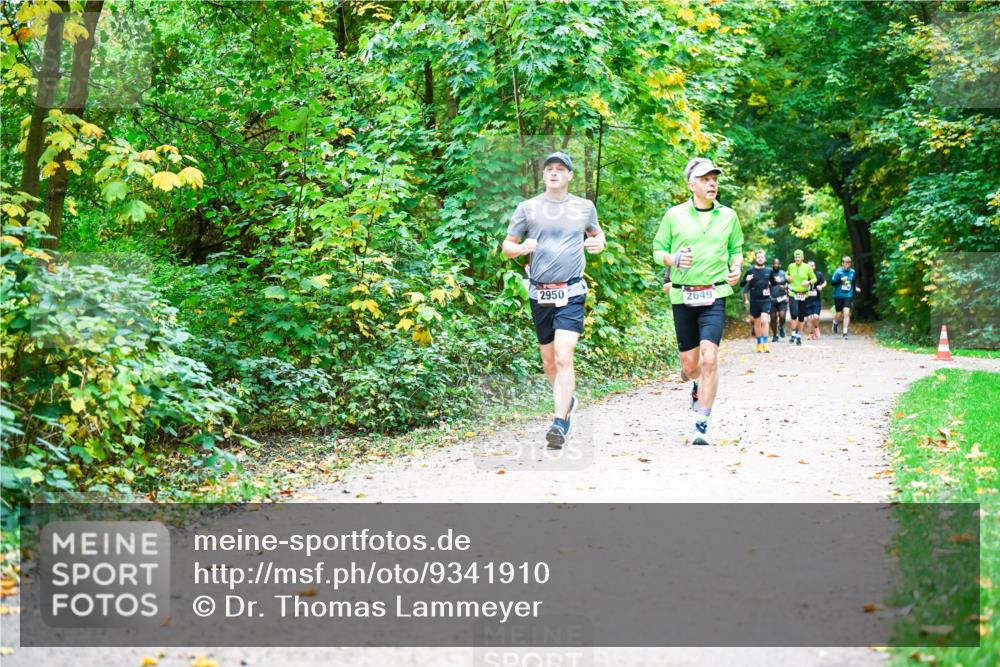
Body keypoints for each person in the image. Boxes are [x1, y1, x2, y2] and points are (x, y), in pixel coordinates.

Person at [503, 151, 606, 449]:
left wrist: (598, 243)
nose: (554, 173)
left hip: (572, 290)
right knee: (549, 363)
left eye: (560, 169)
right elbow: (507, 246)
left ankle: (560, 421)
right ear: (544, 174)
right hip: (540, 291)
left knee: (563, 355)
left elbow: (599, 237)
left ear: (570, 175)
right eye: (549, 168)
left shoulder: (584, 207)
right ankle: (568, 400)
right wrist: (521, 249)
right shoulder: (528, 208)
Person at [652, 157, 743, 446]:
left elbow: (736, 248)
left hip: (715, 294)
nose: (712, 182)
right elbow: (658, 250)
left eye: (714, 178)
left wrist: (737, 268)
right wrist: (672, 259)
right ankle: (694, 382)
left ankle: (702, 423)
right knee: (691, 366)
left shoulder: (729, 216)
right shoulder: (674, 215)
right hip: (683, 294)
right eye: (704, 179)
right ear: (691, 185)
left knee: (710, 358)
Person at [742, 249, 773, 353]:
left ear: (765, 258)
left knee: (764, 320)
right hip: (754, 301)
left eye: (762, 257)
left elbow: (775, 284)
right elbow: (742, 284)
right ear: (756, 258)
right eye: (758, 257)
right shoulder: (751, 271)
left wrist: (775, 283)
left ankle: (766, 343)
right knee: (757, 322)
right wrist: (747, 279)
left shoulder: (769, 271)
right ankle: (759, 343)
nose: (760, 259)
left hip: (765, 300)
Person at [785, 249, 816, 346]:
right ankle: (793, 333)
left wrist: (809, 282)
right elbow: (786, 274)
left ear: (802, 258)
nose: (797, 259)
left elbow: (814, 278)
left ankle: (798, 335)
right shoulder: (791, 266)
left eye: (799, 257)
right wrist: (787, 277)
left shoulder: (807, 267)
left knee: (801, 316)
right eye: (796, 257)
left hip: (804, 294)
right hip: (793, 294)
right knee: (794, 314)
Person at [830, 255, 861, 339]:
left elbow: (854, 282)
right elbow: (832, 283)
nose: (847, 265)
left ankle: (845, 333)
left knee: (846, 313)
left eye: (849, 263)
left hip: (848, 295)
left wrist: (856, 287)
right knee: (839, 314)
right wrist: (840, 280)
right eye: (846, 263)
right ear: (842, 263)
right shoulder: (838, 272)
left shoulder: (852, 272)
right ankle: (835, 323)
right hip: (838, 295)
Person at [804, 259, 826, 340]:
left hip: (816, 300)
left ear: (814, 266)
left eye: (812, 266)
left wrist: (821, 286)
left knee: (816, 317)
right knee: (809, 318)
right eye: (809, 266)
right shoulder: (804, 275)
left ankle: (816, 328)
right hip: (807, 300)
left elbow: (824, 282)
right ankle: (811, 333)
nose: (811, 267)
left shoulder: (819, 274)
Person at [769, 257, 788, 340]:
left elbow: (789, 285)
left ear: (780, 265)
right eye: (774, 263)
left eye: (777, 263)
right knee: (773, 318)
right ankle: (775, 335)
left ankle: (781, 327)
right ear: (772, 264)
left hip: (782, 298)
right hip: (772, 299)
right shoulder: (769, 273)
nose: (776, 265)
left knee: (782, 316)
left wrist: (785, 288)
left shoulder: (784, 273)